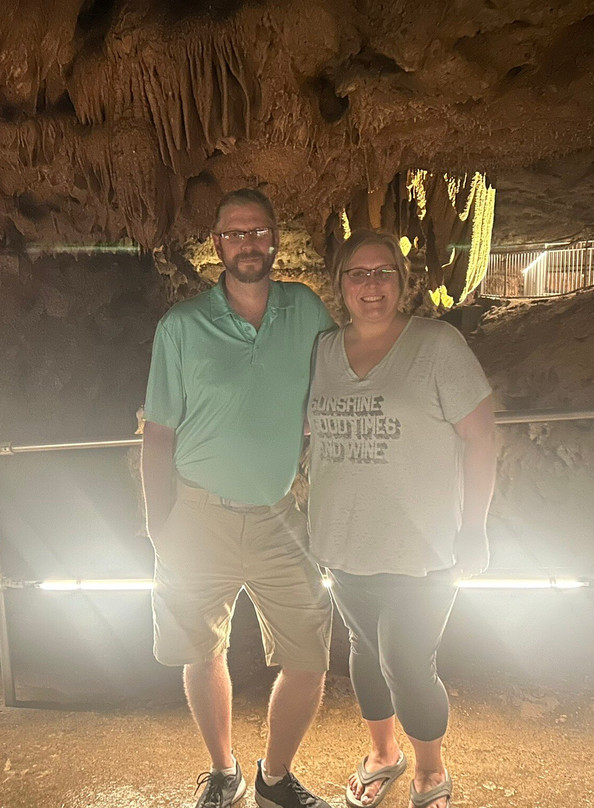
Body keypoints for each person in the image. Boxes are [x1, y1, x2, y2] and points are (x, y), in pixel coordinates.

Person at [142, 188, 336, 808]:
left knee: (310, 653)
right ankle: (223, 771)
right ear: (217, 245)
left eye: (258, 232)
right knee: (201, 648)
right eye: (234, 233)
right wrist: (158, 524)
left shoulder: (304, 310)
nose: (247, 243)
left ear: (274, 239)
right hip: (198, 514)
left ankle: (274, 777)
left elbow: (342, 377)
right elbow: (159, 431)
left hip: (280, 513)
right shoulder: (181, 326)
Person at [306, 230, 497, 808]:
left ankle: (429, 770)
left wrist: (475, 528)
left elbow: (482, 436)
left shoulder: (436, 345)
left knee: (406, 662)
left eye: (383, 272)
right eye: (358, 274)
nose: (371, 285)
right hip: (343, 542)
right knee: (364, 651)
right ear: (339, 284)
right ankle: (383, 755)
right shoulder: (321, 352)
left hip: (424, 548)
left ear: (402, 281)